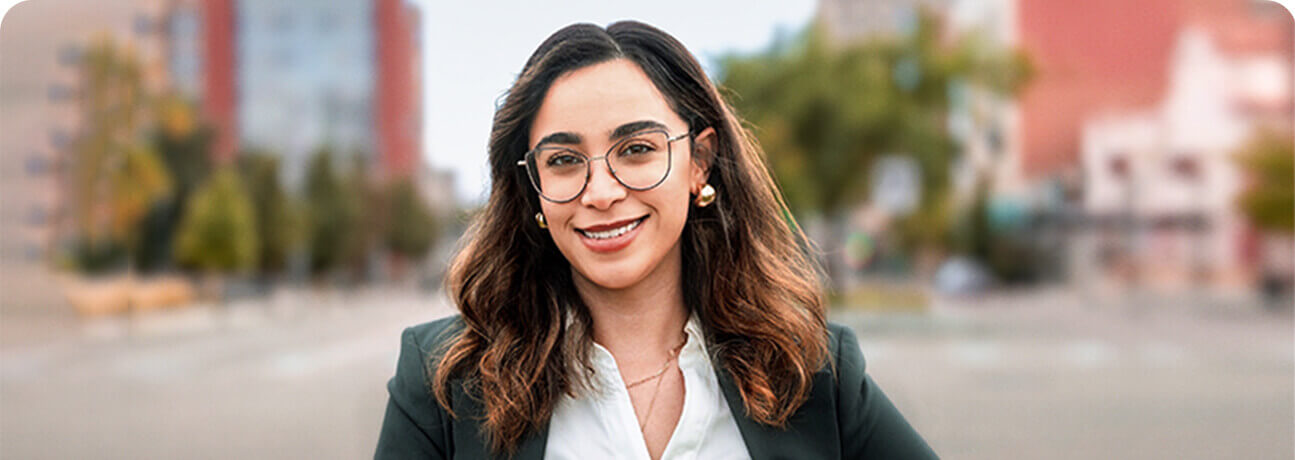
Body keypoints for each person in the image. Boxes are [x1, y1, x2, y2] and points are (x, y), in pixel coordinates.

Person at [374, 20, 937, 460]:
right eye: (564, 160)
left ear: (700, 162)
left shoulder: (809, 369)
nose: (601, 192)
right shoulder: (443, 381)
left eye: (637, 150)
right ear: (533, 186)